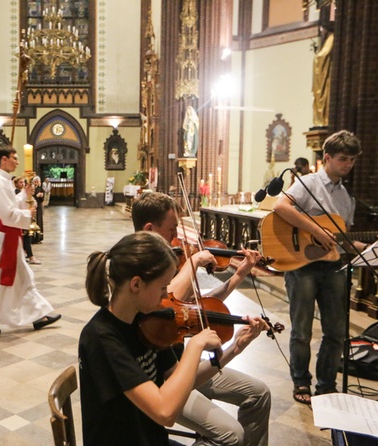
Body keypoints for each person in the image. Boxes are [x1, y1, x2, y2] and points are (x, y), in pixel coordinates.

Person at [131, 192, 271, 446]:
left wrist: (239, 274)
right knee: (230, 435)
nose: (177, 238)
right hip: (163, 379)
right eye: (172, 229)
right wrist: (194, 261)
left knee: (259, 393)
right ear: (150, 229)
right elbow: (168, 301)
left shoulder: (170, 263)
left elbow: (200, 307)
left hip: (183, 363)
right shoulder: (138, 271)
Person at [79, 231, 224, 446]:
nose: (167, 295)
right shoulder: (101, 338)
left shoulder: (146, 323)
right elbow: (165, 413)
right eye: (163, 286)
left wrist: (235, 348)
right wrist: (195, 345)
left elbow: (180, 378)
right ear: (136, 284)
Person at [273, 130, 363, 404]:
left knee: (335, 332)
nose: (347, 165)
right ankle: (301, 383)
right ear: (327, 157)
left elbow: (342, 241)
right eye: (342, 159)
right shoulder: (308, 182)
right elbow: (281, 206)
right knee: (301, 330)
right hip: (302, 266)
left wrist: (368, 245)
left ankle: (326, 386)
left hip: (332, 267)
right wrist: (317, 230)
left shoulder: (347, 198)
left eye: (352, 160)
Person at [0, 146, 59, 335]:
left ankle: (38, 315)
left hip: (9, 236)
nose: (17, 162)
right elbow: (5, 213)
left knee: (23, 278)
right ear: (4, 160)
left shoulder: (2, 180)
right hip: (4, 238)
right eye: (14, 158)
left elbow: (8, 206)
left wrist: (23, 196)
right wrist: (26, 213)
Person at [13, 177, 40, 265]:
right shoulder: (19, 198)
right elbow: (15, 210)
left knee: (26, 239)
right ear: (27, 187)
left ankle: (27, 254)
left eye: (34, 189)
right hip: (19, 222)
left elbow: (34, 204)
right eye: (31, 189)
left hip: (27, 221)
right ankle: (30, 256)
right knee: (25, 239)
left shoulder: (31, 197)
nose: (33, 191)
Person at [31, 176, 44, 241]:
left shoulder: (40, 189)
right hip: (33, 206)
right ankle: (33, 237)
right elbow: (31, 197)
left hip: (39, 206)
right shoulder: (32, 189)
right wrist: (36, 196)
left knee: (39, 220)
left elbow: (42, 199)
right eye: (35, 182)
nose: (36, 183)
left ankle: (39, 237)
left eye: (37, 182)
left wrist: (41, 196)